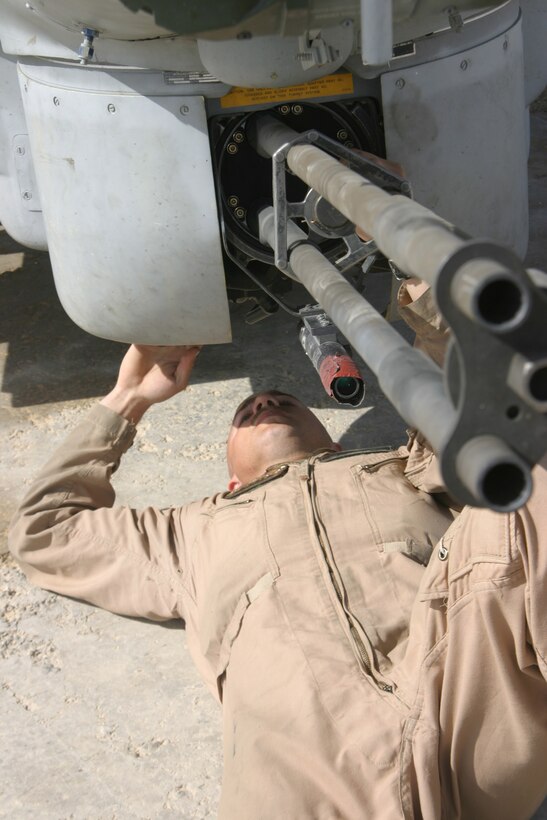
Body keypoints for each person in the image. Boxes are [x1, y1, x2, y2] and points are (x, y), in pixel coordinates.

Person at [8, 271, 547, 819]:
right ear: (230, 480)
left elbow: (464, 401)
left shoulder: (400, 469)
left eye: (282, 400)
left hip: (465, 699)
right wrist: (127, 398)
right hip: (306, 770)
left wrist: (419, 282)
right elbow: (43, 530)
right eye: (248, 413)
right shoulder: (186, 535)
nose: (263, 400)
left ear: (332, 440)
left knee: (521, 458)